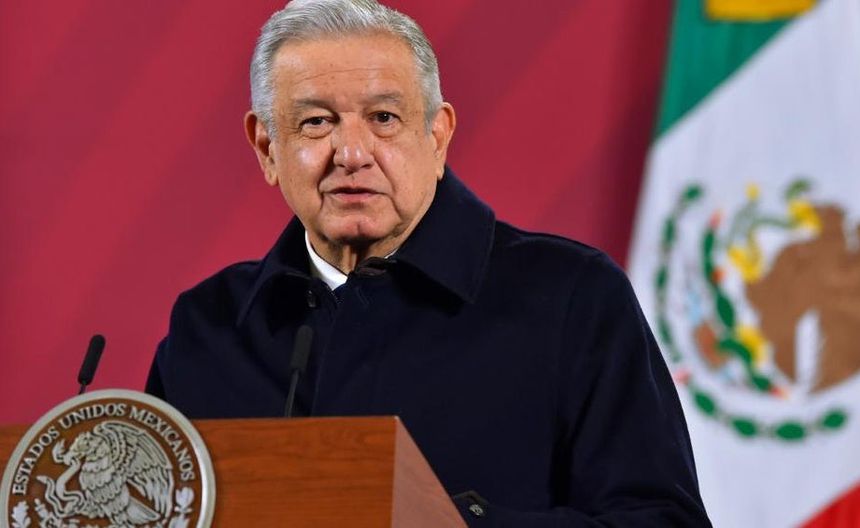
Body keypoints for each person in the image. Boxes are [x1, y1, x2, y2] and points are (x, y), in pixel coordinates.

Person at [145, 0, 711, 525]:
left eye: (383, 117)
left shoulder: (570, 297)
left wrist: (451, 520)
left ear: (437, 137)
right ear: (267, 148)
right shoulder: (209, 326)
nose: (352, 154)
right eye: (316, 122)